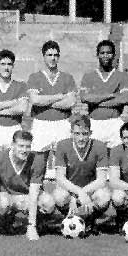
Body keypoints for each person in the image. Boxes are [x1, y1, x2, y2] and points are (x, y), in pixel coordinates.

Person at [0, 130, 55, 241]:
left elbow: (34, 192)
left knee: (48, 202)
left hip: (27, 197)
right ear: (12, 145)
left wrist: (32, 225)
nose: (24, 150)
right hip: (7, 196)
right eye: (21, 146)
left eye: (27, 146)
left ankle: (39, 224)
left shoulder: (37, 159)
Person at [52, 114, 111, 234]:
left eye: (85, 134)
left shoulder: (100, 146)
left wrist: (84, 193)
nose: (81, 138)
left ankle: (90, 220)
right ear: (71, 133)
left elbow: (101, 180)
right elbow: (60, 178)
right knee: (59, 196)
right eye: (77, 134)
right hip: (70, 191)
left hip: (91, 191)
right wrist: (78, 194)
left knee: (104, 197)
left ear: (90, 133)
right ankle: (70, 218)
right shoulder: (62, 145)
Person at [27, 41, 76, 173]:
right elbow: (34, 100)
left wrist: (46, 100)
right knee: (38, 163)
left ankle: (63, 191)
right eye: (49, 55)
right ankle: (37, 190)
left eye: (55, 55)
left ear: (59, 57)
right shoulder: (35, 77)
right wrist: (59, 96)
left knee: (63, 163)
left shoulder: (67, 77)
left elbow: (70, 102)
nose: (52, 58)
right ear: (43, 56)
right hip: (41, 124)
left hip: (62, 123)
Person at [80, 40, 128, 149]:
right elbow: (84, 98)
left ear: (114, 55)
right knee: (95, 161)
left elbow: (125, 99)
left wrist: (95, 101)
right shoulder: (88, 76)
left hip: (114, 123)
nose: (105, 55)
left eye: (109, 53)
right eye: (102, 53)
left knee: (115, 161)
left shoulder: (122, 76)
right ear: (97, 55)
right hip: (94, 123)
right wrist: (111, 95)